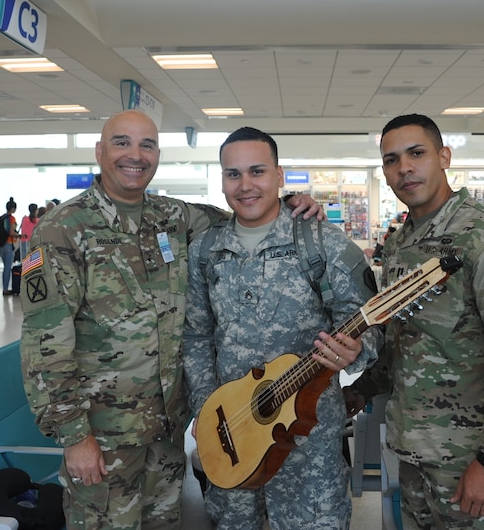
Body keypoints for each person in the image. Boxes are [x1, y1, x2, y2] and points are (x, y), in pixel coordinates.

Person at [19, 109, 323, 530]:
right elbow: (44, 345)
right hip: (103, 438)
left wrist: (292, 202)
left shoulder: (174, 217)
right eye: (122, 142)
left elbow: (246, 211)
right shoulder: (62, 230)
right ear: (99, 151)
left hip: (165, 432)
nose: (135, 155)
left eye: (147, 144)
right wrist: (74, 438)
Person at [344, 114, 484, 529]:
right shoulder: (403, 243)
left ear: (444, 157)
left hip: (471, 459)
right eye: (391, 160)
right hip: (414, 450)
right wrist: (362, 390)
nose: (404, 168)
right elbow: (404, 341)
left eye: (416, 153)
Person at [183, 127, 379, 529]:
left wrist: (357, 351)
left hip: (309, 440)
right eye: (232, 174)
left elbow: (369, 320)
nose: (245, 185)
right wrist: (207, 412)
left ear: (279, 175)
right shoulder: (205, 249)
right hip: (232, 436)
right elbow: (197, 336)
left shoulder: (322, 241)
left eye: (257, 171)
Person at [0, 197, 21, 296]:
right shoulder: (11, 218)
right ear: (13, 209)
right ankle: (5, 289)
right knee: (8, 268)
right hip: (8, 244)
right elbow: (12, 233)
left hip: (1, 245)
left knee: (5, 267)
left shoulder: (1, 217)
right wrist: (19, 235)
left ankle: (5, 287)